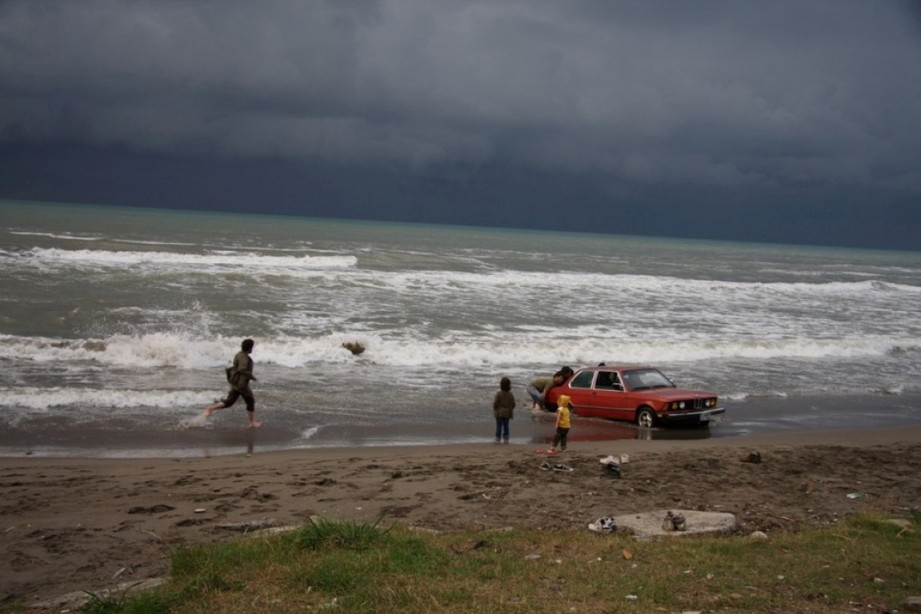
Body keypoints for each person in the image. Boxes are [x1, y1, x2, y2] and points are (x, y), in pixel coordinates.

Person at [204, 338, 262, 429]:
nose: (252, 349)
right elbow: (242, 369)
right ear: (250, 348)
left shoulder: (239, 354)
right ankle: (251, 423)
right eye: (252, 347)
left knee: (229, 402)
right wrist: (252, 377)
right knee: (250, 401)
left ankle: (211, 408)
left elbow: (236, 367)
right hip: (241, 384)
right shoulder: (244, 357)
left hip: (235, 382)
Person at [493, 376, 515, 444]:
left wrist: (495, 408)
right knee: (506, 426)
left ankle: (498, 439)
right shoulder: (510, 394)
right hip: (507, 413)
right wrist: (510, 409)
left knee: (499, 426)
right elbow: (513, 404)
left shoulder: (498, 394)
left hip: (499, 413)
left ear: (501, 385)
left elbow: (496, 403)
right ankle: (506, 439)